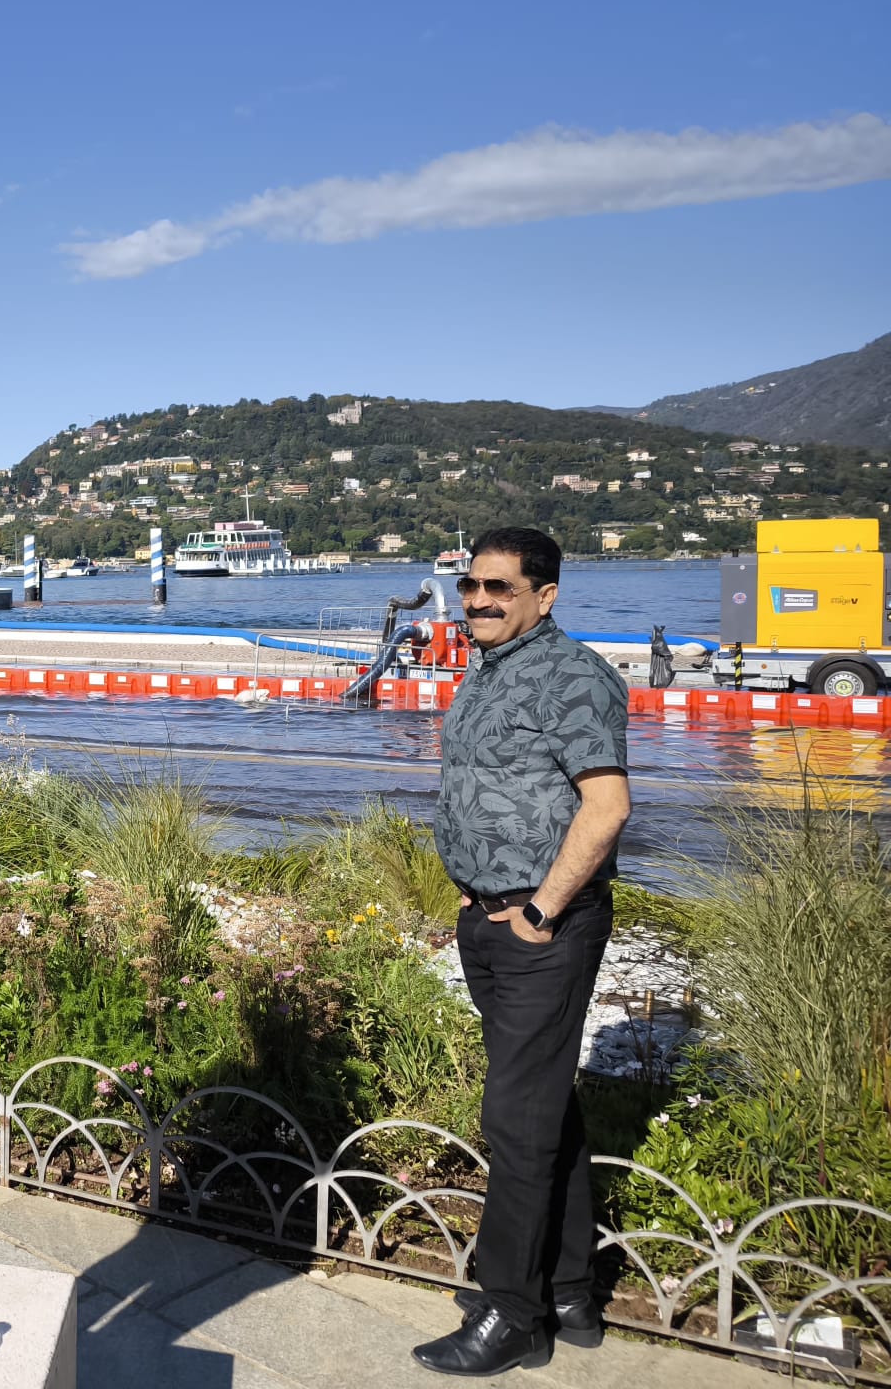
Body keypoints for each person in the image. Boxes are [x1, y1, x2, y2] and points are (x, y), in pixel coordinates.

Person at [415, 528, 631, 1377]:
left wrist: (540, 910)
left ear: (545, 596)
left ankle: (511, 1313)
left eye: (499, 588)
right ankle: (569, 1291)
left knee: (514, 1116)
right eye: (472, 585)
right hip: (493, 921)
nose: (478, 600)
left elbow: (607, 807)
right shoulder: (488, 666)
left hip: (544, 926)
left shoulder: (573, 677)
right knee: (546, 1108)